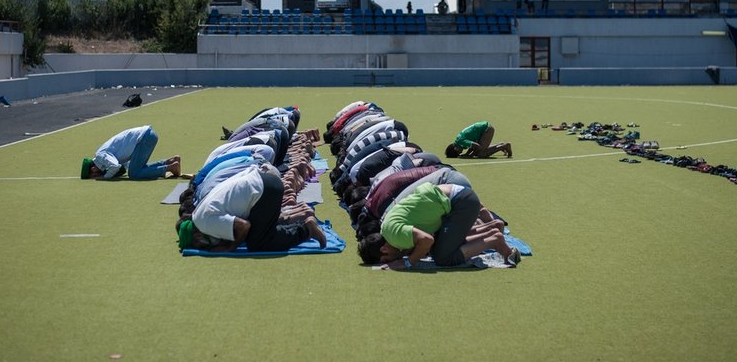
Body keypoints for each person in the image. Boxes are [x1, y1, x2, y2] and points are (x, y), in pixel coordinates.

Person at [357, 180, 520, 268]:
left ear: (384, 249)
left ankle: (495, 240)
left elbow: (427, 240)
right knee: (441, 246)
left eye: (386, 260)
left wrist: (408, 262)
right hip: (456, 197)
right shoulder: (388, 229)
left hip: (460, 202)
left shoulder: (395, 236)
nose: (390, 262)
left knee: (443, 257)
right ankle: (491, 228)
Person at [177, 163, 326, 252]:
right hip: (262, 182)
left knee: (258, 243)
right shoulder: (199, 215)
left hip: (265, 189)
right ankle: (302, 224)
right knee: (256, 232)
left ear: (197, 236)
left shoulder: (206, 224)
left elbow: (244, 226)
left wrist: (230, 247)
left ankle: (306, 229)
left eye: (198, 245)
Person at [80, 125, 182, 180]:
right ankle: (170, 162)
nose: (96, 175)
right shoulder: (102, 154)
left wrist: (104, 177)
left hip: (143, 138)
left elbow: (115, 167)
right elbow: (127, 165)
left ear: (93, 169)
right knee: (137, 169)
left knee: (134, 174)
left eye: (93, 175)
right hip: (147, 135)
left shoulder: (100, 156)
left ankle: (170, 167)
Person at [445, 121, 511, 159]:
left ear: (455, 149)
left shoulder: (461, 142)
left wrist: (470, 156)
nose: (461, 152)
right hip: (483, 129)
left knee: (481, 154)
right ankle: (500, 145)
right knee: (479, 152)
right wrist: (467, 154)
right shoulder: (459, 142)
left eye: (459, 152)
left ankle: (504, 146)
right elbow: (472, 146)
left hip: (486, 129)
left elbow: (477, 146)